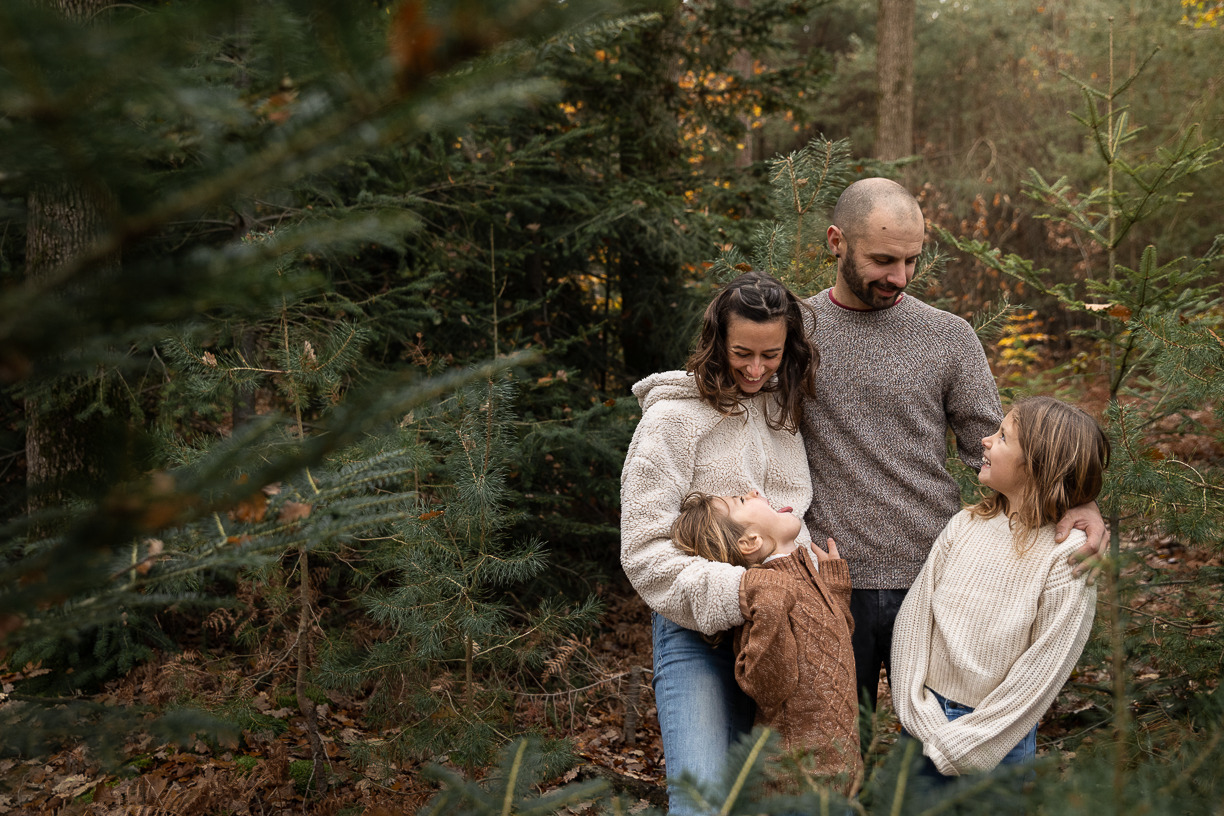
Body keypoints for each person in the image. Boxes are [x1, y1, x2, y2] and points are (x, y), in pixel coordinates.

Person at [799, 178, 1108, 711]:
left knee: (941, 757)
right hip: (827, 580)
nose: (898, 277)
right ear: (836, 242)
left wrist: (1078, 501)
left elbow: (1005, 451)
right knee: (832, 754)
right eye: (882, 260)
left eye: (912, 260)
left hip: (933, 580)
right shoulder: (795, 332)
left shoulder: (948, 336)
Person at [620, 270, 820, 814]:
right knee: (703, 802)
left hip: (782, 630)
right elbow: (644, 552)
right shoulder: (672, 420)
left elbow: (792, 518)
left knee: (770, 801)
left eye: (771, 355)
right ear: (715, 343)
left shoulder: (783, 411)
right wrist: (741, 590)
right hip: (695, 635)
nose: (757, 369)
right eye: (742, 354)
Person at [890, 396, 1108, 779]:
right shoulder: (965, 525)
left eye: (1002, 437)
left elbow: (1043, 670)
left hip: (998, 742)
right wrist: (918, 713)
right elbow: (915, 619)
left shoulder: (1067, 556)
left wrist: (970, 743)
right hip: (924, 725)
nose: (985, 441)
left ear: (1039, 466)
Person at [670, 489, 861, 795]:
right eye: (742, 501)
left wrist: (834, 587)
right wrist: (770, 606)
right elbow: (769, 686)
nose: (754, 492)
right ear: (750, 542)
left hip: (840, 777)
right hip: (793, 784)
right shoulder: (767, 596)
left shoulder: (805, 578)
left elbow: (836, 642)